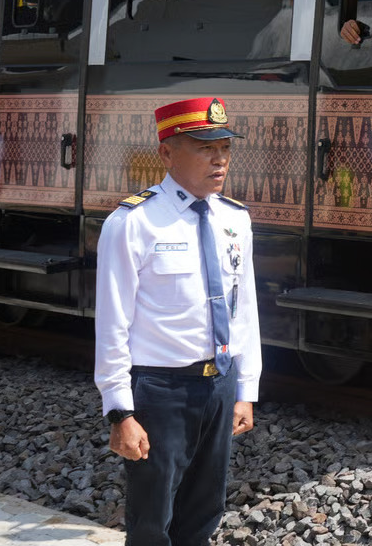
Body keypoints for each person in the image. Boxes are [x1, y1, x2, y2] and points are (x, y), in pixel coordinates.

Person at [94, 96, 262, 546]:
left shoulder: (235, 220)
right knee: (152, 520)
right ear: (167, 153)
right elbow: (112, 323)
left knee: (205, 512)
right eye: (205, 147)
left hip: (219, 386)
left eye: (225, 146)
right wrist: (120, 411)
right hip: (161, 389)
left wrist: (245, 390)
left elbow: (243, 309)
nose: (220, 158)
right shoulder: (133, 223)